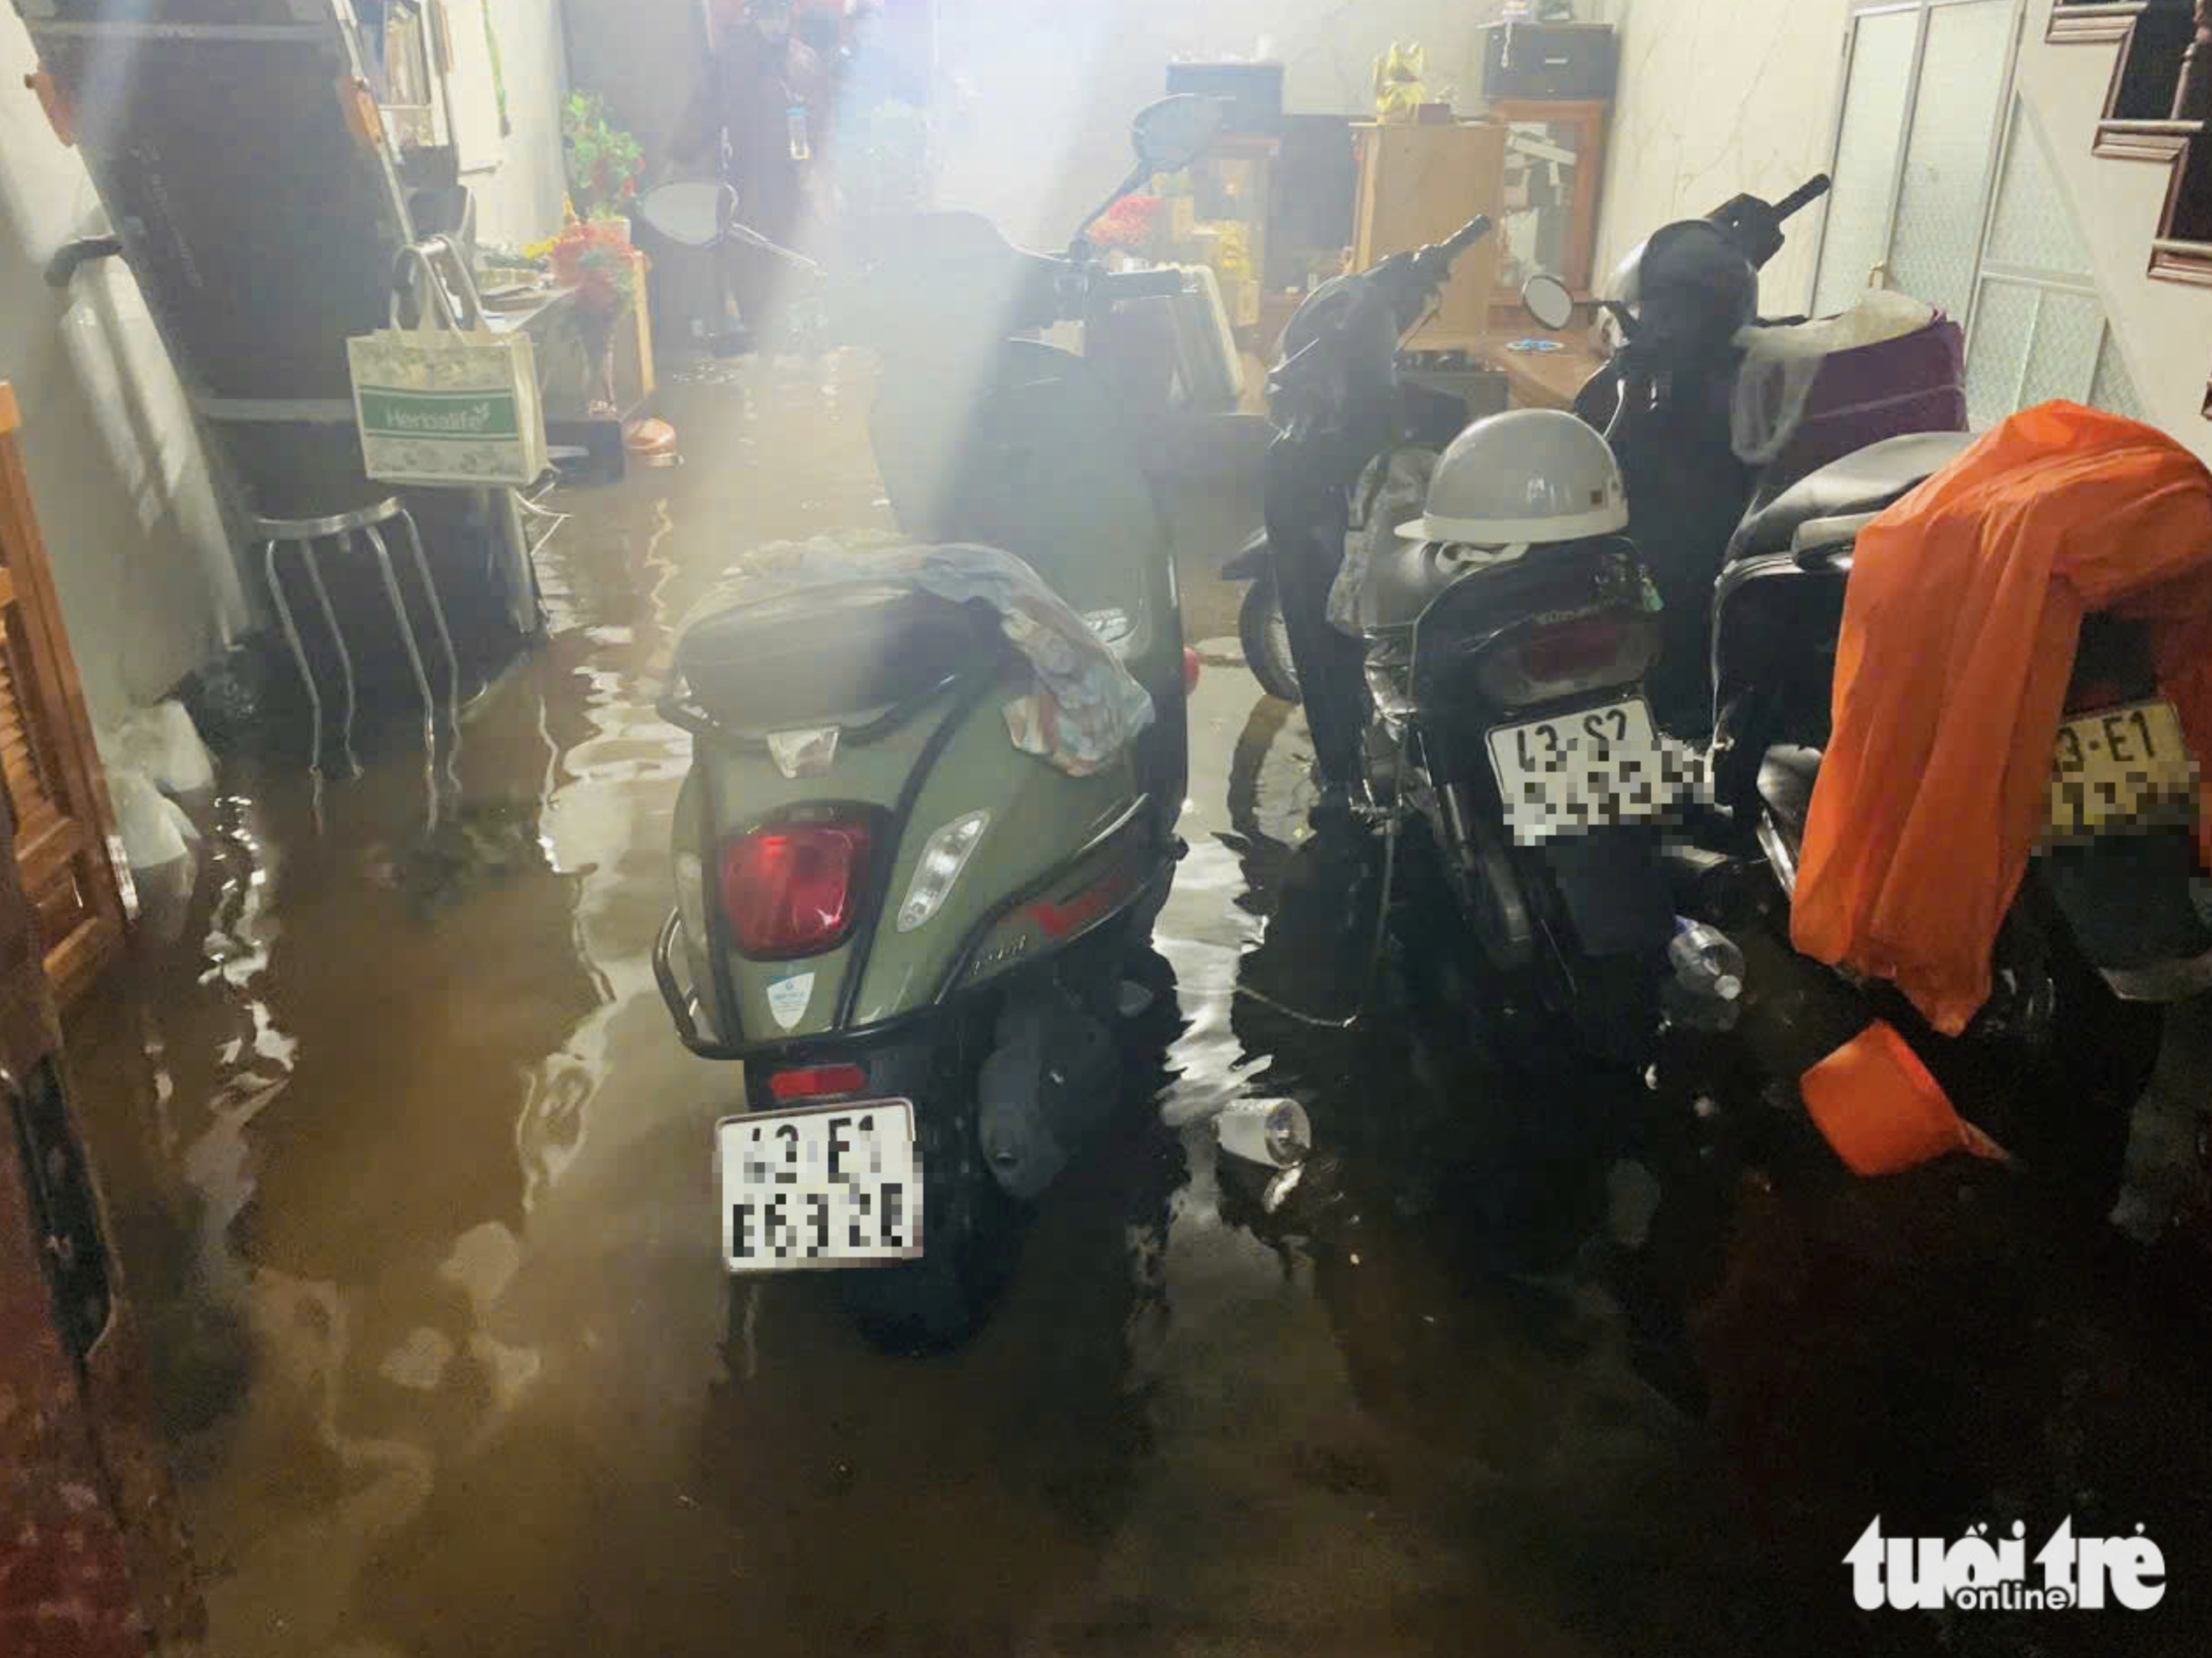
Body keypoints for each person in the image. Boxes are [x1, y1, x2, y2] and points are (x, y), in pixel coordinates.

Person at [670, 0, 826, 345]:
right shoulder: (732, 60)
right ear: (753, 12)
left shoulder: (807, 61)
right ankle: (766, 360)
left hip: (797, 194)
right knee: (756, 291)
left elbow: (823, 127)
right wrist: (680, 154)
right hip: (751, 191)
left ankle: (804, 358)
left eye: (780, 9)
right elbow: (703, 111)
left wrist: (823, 177)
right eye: (766, 10)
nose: (774, 19)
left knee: (801, 282)